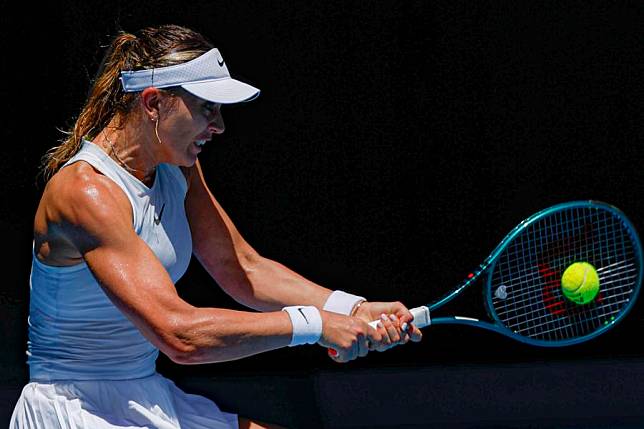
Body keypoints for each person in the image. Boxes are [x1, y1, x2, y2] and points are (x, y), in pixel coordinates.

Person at [10, 24, 422, 429]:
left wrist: (350, 308)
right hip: (75, 409)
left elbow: (242, 267)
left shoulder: (179, 167)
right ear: (153, 103)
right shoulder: (86, 192)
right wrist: (314, 325)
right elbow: (180, 336)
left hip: (147, 393)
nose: (220, 126)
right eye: (207, 107)